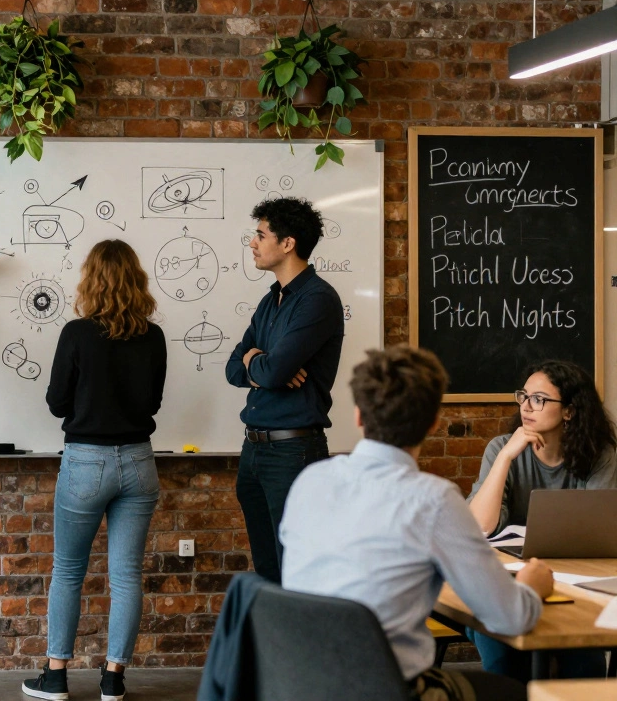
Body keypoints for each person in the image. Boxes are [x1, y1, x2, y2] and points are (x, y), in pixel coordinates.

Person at [281, 346, 551, 701]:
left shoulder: (310, 481)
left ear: (359, 416)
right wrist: (531, 587)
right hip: (387, 691)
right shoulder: (432, 500)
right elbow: (510, 618)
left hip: (297, 684)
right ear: (433, 422)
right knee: (516, 693)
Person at [22, 240, 166, 701]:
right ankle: (113, 678)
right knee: (127, 575)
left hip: (86, 461)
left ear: (91, 280)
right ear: (136, 280)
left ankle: (55, 678)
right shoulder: (153, 336)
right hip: (139, 461)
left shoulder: (77, 333)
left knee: (68, 571)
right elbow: (152, 403)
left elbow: (56, 402)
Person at [465, 360, 615, 681]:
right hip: (505, 580)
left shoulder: (599, 454)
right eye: (523, 396)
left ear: (569, 411)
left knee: (584, 663)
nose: (526, 406)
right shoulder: (501, 448)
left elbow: (597, 533)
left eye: (539, 399)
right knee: (503, 656)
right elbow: (480, 526)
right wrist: (506, 456)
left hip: (575, 581)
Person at [224, 196, 344, 583]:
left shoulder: (318, 300)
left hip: (293, 452)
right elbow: (233, 367)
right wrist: (257, 361)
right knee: (267, 571)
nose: (252, 243)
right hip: (255, 451)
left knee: (296, 572)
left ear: (287, 243)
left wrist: (260, 362)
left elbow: (274, 371)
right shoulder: (269, 300)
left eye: (261, 235)